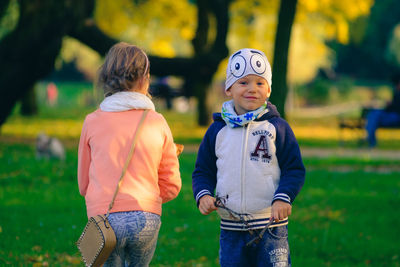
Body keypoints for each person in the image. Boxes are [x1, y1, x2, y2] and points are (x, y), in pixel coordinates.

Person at [192, 48, 305, 267]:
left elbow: (294, 169)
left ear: (269, 89)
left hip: (271, 227)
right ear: (228, 88)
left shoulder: (276, 127)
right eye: (243, 82)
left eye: (259, 83)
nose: (252, 89)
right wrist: (204, 194)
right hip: (231, 228)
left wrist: (283, 197)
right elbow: (203, 171)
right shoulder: (217, 131)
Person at [77, 42, 181, 266]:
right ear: (145, 79)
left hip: (103, 216)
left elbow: (83, 184)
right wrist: (149, 197)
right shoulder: (157, 122)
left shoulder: (92, 121)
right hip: (146, 216)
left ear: (106, 76)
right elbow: (172, 185)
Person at [365, 73, 400, 147]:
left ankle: (370, 138)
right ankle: (370, 138)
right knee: (374, 114)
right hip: (391, 115)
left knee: (375, 116)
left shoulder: (397, 94)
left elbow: (396, 107)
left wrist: (391, 105)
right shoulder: (396, 93)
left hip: (396, 117)